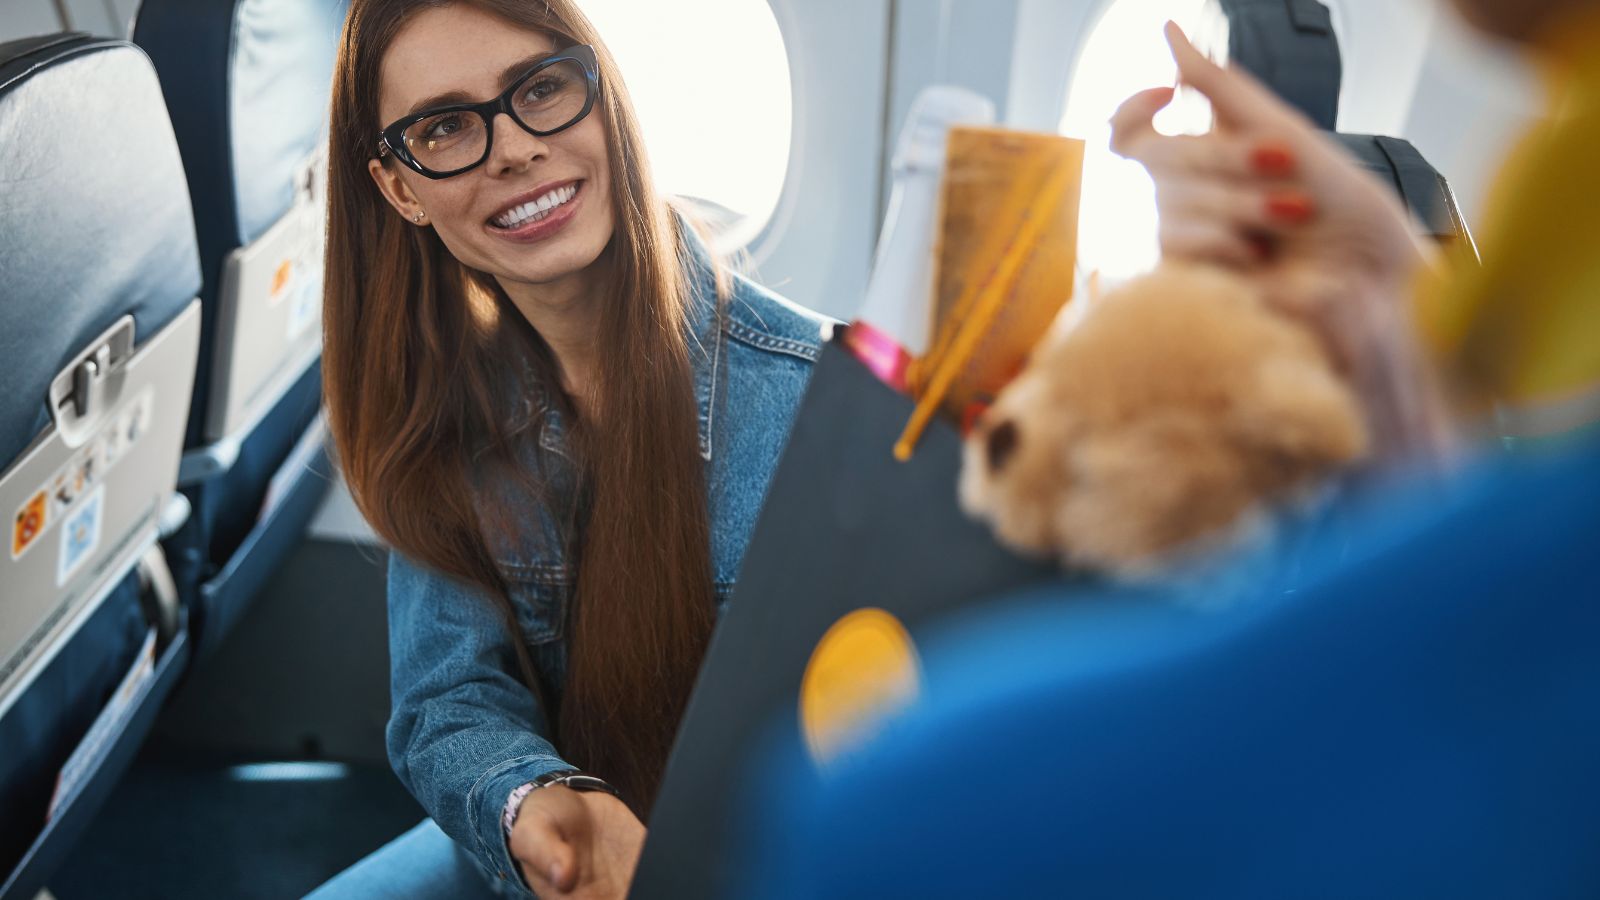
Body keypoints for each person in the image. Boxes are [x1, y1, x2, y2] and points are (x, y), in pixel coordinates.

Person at [306, 1, 828, 897]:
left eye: (540, 88)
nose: (512, 148)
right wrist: (530, 800)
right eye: (444, 127)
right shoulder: (447, 420)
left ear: (602, 96)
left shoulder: (822, 399)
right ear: (401, 189)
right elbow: (449, 702)